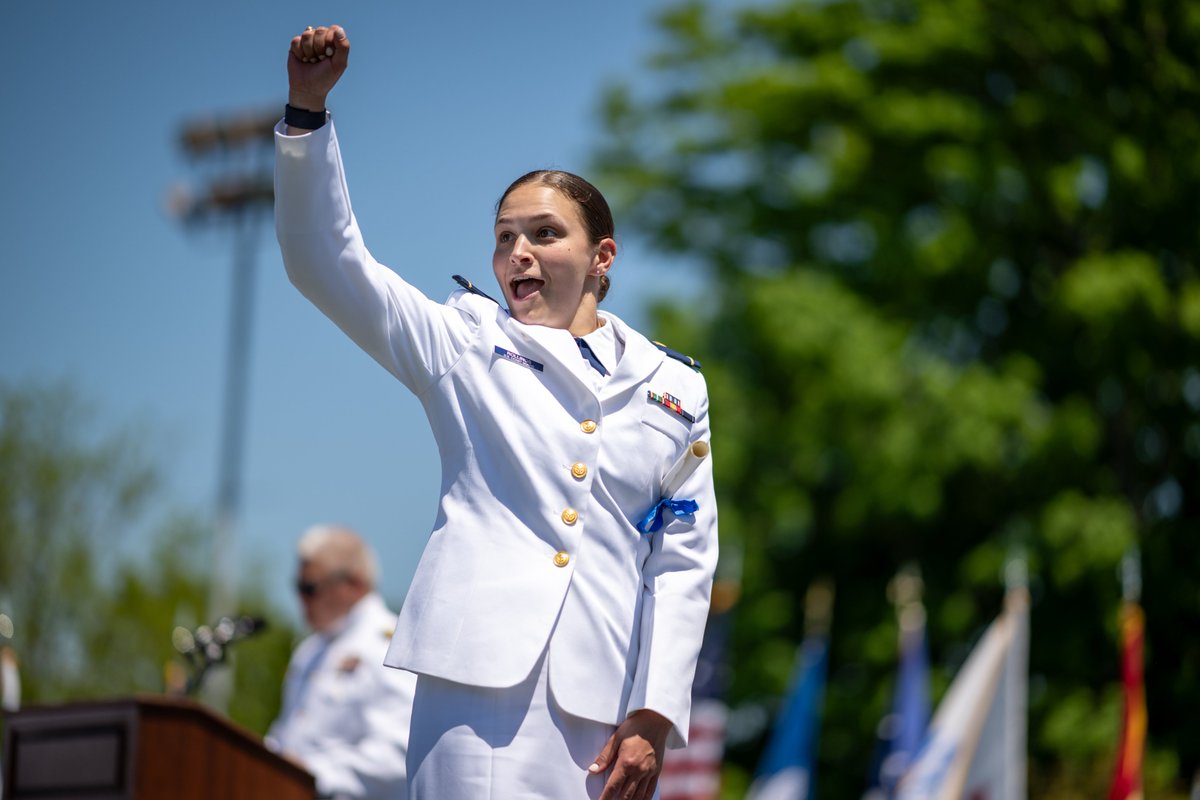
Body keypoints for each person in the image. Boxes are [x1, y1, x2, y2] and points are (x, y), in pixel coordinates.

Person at [275, 24, 719, 800]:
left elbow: (683, 562)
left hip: (605, 710)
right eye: (505, 236)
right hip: (474, 690)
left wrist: (653, 711)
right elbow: (328, 260)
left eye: (545, 234)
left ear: (602, 258)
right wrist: (307, 114)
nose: (518, 252)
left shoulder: (673, 388)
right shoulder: (463, 343)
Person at [265, 525, 416, 800]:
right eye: (297, 587)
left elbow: (400, 750)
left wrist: (311, 773)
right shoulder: (309, 651)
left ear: (354, 584)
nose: (301, 599)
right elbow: (284, 737)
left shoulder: (389, 646)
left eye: (309, 588)